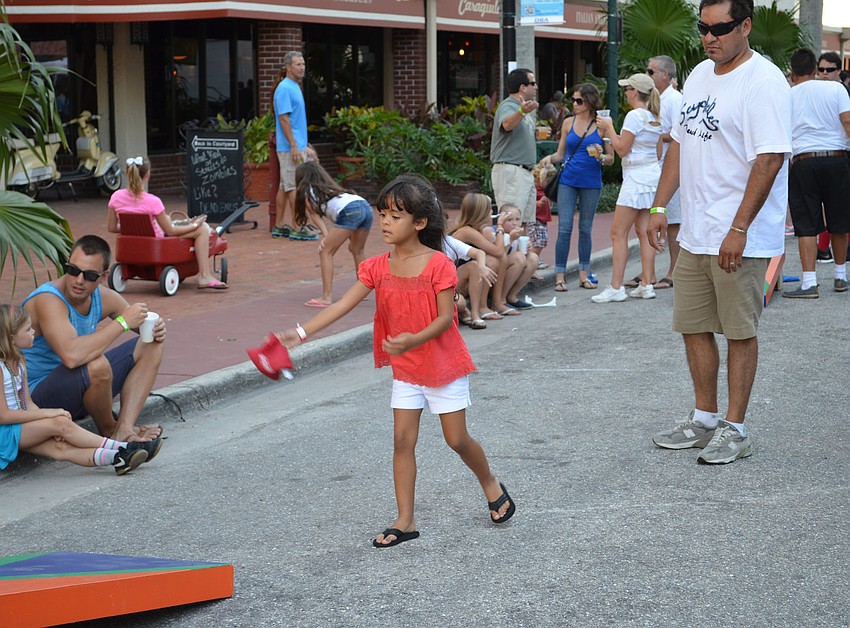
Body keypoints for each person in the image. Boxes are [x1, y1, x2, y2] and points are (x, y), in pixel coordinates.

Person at [274, 174, 515, 547]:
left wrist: (412, 339)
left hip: (443, 365)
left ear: (419, 223)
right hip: (407, 369)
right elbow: (341, 305)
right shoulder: (376, 266)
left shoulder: (439, 265)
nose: (385, 222)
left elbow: (443, 320)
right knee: (402, 441)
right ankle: (405, 520)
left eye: (395, 216)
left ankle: (490, 483)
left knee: (457, 439)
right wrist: (300, 334)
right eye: (382, 214)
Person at [647, 0, 791, 464]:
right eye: (703, 28)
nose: (710, 37)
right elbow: (680, 147)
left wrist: (739, 227)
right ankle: (704, 418)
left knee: (739, 331)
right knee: (693, 327)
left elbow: (769, 159)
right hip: (696, 231)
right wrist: (658, 205)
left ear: (745, 26)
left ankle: (736, 427)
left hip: (738, 234)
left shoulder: (763, 81)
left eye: (721, 28)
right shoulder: (701, 76)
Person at [22, 235, 166, 443]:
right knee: (96, 364)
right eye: (73, 270)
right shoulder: (48, 300)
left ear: (103, 276)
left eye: (89, 275)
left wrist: (156, 328)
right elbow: (71, 356)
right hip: (38, 399)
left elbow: (139, 323)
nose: (79, 281)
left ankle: (124, 429)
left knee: (151, 345)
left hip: (78, 390)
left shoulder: (103, 297)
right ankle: (109, 430)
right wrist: (122, 323)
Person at [0, 305, 162, 475]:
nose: (33, 331)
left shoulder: (20, 361)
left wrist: (46, 423)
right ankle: (125, 447)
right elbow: (3, 416)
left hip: (19, 427)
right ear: (11, 339)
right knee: (61, 423)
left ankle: (119, 458)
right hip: (5, 431)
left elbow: (28, 403)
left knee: (60, 447)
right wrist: (49, 415)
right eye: (28, 329)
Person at [782, 47, 850, 298]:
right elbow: (847, 122)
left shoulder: (787, 95)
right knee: (840, 219)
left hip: (804, 160)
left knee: (806, 223)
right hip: (836, 157)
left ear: (792, 71)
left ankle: (810, 281)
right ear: (814, 69)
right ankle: (841, 276)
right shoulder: (836, 89)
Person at [593, 73, 662, 303]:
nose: (626, 93)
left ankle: (616, 286)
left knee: (618, 232)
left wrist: (610, 128)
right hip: (651, 176)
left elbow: (622, 149)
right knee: (644, 232)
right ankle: (646, 284)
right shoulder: (654, 117)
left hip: (636, 178)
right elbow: (658, 151)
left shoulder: (634, 116)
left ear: (635, 92)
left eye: (628, 89)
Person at [107, 156, 227, 290]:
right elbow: (170, 231)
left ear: (127, 172)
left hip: (131, 242)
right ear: (148, 174)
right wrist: (194, 225)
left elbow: (111, 227)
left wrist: (132, 228)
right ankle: (204, 275)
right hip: (157, 242)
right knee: (203, 230)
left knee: (169, 221)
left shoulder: (116, 197)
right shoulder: (153, 201)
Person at [538, 83, 612, 291]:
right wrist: (548, 158)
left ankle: (583, 274)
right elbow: (561, 154)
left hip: (591, 181)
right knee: (564, 228)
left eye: (579, 100)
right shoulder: (568, 123)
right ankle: (559, 277)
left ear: (589, 102)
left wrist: (601, 155)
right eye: (574, 100)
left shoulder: (602, 125)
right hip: (568, 180)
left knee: (586, 229)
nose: (575, 104)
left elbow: (611, 159)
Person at [293, 162, 373, 307]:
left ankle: (326, 297)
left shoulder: (308, 191)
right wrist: (328, 236)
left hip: (350, 210)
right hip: (364, 205)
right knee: (357, 250)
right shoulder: (330, 189)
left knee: (326, 252)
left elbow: (315, 216)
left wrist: (325, 236)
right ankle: (362, 292)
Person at [647, 55, 684, 290]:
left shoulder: (675, 99)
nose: (648, 75)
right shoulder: (657, 99)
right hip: (656, 167)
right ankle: (648, 271)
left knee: (673, 222)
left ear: (666, 75)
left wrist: (650, 136)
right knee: (653, 218)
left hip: (672, 167)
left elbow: (681, 133)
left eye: (651, 71)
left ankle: (674, 271)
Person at [272, 51, 318, 241]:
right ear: (288, 67)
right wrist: (294, 146)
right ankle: (298, 227)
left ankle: (279, 225)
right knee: (294, 187)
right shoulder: (284, 88)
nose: (302, 68)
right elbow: (284, 119)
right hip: (290, 148)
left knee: (285, 186)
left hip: (296, 145)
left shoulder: (294, 87)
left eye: (303, 64)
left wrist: (304, 144)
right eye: (298, 64)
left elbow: (296, 121)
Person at [450, 193, 512, 320]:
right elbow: (498, 251)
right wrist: (500, 226)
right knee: (491, 261)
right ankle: (482, 307)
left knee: (497, 259)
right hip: (454, 280)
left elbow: (500, 253)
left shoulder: (479, 229)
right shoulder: (467, 231)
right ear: (481, 212)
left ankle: (497, 302)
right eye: (489, 208)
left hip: (467, 278)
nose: (491, 211)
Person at [490, 68, 539, 230]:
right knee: (510, 222)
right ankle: (507, 255)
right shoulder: (509, 106)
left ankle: (522, 256)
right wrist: (521, 111)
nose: (536, 87)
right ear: (522, 87)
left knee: (522, 223)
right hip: (512, 172)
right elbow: (507, 124)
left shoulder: (522, 108)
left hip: (524, 173)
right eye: (532, 83)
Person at [814, 51, 850, 263]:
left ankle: (829, 250)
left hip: (841, 153)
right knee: (831, 206)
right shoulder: (813, 90)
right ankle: (823, 248)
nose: (824, 74)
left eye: (829, 70)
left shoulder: (843, 91)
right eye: (821, 70)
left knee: (837, 207)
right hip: (824, 155)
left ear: (839, 71)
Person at [483, 205, 539, 310]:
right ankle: (500, 299)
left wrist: (526, 248)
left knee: (533, 257)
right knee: (519, 258)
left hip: (506, 273)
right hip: (492, 276)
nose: (515, 223)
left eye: (517, 219)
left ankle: (512, 296)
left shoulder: (518, 233)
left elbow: (521, 259)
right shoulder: (490, 231)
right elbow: (499, 256)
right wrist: (511, 239)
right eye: (509, 220)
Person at [443, 232, 498, 330]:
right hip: (429, 285)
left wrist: (481, 266)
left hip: (449, 284)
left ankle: (475, 314)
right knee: (460, 303)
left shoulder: (448, 241)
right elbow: (498, 252)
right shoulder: (419, 240)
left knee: (474, 265)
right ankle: (464, 311)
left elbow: (479, 252)